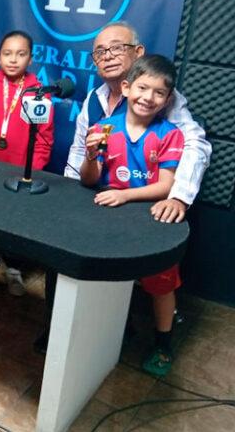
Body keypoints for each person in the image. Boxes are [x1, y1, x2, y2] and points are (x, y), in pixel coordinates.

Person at [80, 55, 185, 376]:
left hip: (151, 222)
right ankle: (114, 329)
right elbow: (89, 179)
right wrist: (90, 156)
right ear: (126, 88)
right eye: (141, 87)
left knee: (161, 285)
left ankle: (163, 343)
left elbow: (166, 186)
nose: (147, 97)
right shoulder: (103, 128)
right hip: (110, 217)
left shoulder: (170, 135)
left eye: (158, 92)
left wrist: (124, 195)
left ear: (167, 99)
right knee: (107, 276)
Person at [65, 21, 211, 223]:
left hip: (142, 208)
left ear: (138, 51)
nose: (107, 56)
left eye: (117, 48)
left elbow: (195, 144)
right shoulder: (93, 98)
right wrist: (69, 194)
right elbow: (79, 150)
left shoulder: (161, 98)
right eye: (100, 52)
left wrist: (179, 197)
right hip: (98, 199)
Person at [0, 31, 54, 296]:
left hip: (18, 172)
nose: (13, 60)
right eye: (7, 54)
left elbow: (43, 139)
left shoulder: (39, 94)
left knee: (12, 225)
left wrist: (32, 171)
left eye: (21, 54)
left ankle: (14, 270)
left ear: (30, 58)